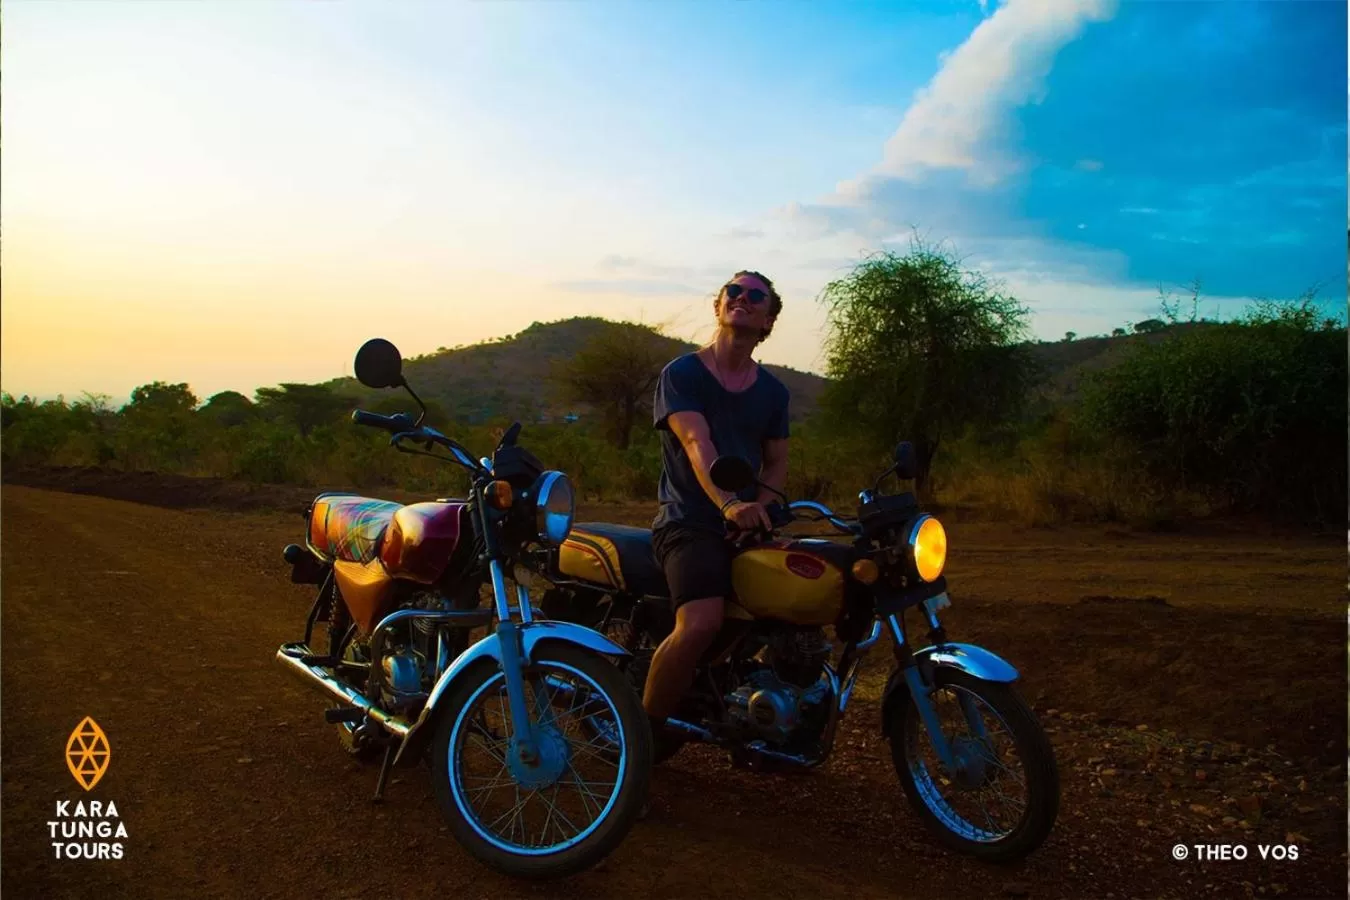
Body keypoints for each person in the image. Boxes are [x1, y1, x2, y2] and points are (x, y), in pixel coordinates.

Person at [643, 270, 790, 734]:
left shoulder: (774, 392)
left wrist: (760, 507)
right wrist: (728, 504)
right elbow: (696, 443)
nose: (742, 298)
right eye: (734, 291)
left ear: (768, 321)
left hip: (744, 523)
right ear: (718, 305)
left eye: (756, 296)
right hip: (689, 521)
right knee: (701, 622)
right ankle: (642, 738)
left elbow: (776, 465)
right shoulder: (682, 374)